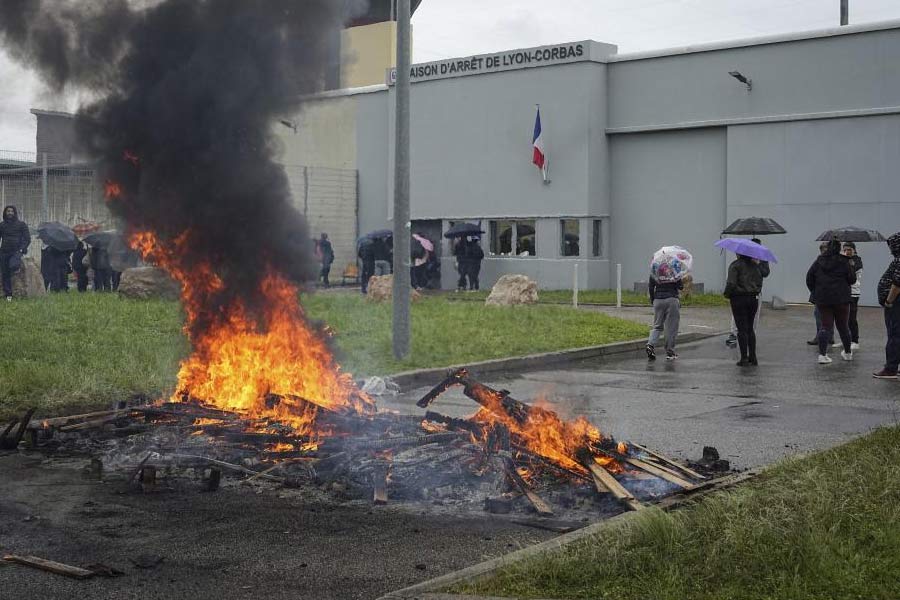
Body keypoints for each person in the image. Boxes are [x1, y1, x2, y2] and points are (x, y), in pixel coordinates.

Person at [806, 239, 855, 364]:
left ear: (828, 248)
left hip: (823, 299)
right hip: (842, 299)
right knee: (843, 326)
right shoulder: (844, 261)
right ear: (839, 249)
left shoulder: (819, 260)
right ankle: (848, 353)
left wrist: (816, 291)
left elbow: (809, 277)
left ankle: (822, 355)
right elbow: (852, 280)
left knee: (825, 326)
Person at [725, 238, 770, 348]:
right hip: (740, 294)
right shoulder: (741, 261)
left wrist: (758, 263)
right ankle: (734, 334)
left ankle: (749, 341)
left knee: (752, 320)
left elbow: (765, 273)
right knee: (738, 318)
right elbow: (733, 280)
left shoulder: (761, 259)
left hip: (753, 293)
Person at [724, 252, 763, 366]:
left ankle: (744, 358)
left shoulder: (735, 265)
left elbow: (731, 282)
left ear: (738, 254)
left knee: (741, 329)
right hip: (753, 298)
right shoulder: (755, 266)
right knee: (750, 328)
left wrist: (727, 294)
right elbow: (760, 282)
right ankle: (753, 357)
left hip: (739, 298)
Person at [873, 232, 900, 379]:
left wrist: (889, 301)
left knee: (894, 335)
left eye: (892, 245)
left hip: (896, 304)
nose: (890, 249)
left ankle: (890, 369)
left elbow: (897, 284)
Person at [646, 275, 683, 361]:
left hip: (658, 300)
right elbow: (680, 286)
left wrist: (653, 300)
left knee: (657, 325)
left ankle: (650, 344)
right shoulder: (674, 271)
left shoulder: (654, 270)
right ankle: (670, 352)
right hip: (671, 299)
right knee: (671, 327)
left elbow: (651, 288)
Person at [0, 205, 31, 300]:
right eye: (8, 211)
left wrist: (22, 249)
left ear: (15, 213)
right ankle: (8, 295)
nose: (10, 213)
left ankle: (19, 289)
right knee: (5, 274)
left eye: (11, 211)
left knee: (13, 265)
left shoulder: (21, 224)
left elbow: (27, 238)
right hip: (4, 251)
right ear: (5, 213)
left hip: (16, 251)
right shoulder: (2, 225)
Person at [807, 242, 833, 346]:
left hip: (824, 295)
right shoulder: (835, 262)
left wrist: (814, 290)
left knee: (821, 316)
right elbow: (809, 278)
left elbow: (809, 278)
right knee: (823, 317)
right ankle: (826, 337)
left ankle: (823, 337)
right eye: (824, 250)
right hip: (825, 295)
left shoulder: (818, 262)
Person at [838, 242, 862, 350]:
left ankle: (855, 341)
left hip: (853, 292)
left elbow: (850, 275)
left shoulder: (856, 261)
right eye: (845, 249)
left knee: (852, 317)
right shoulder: (845, 260)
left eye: (849, 249)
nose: (847, 252)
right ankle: (845, 339)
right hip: (844, 292)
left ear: (854, 250)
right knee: (843, 318)